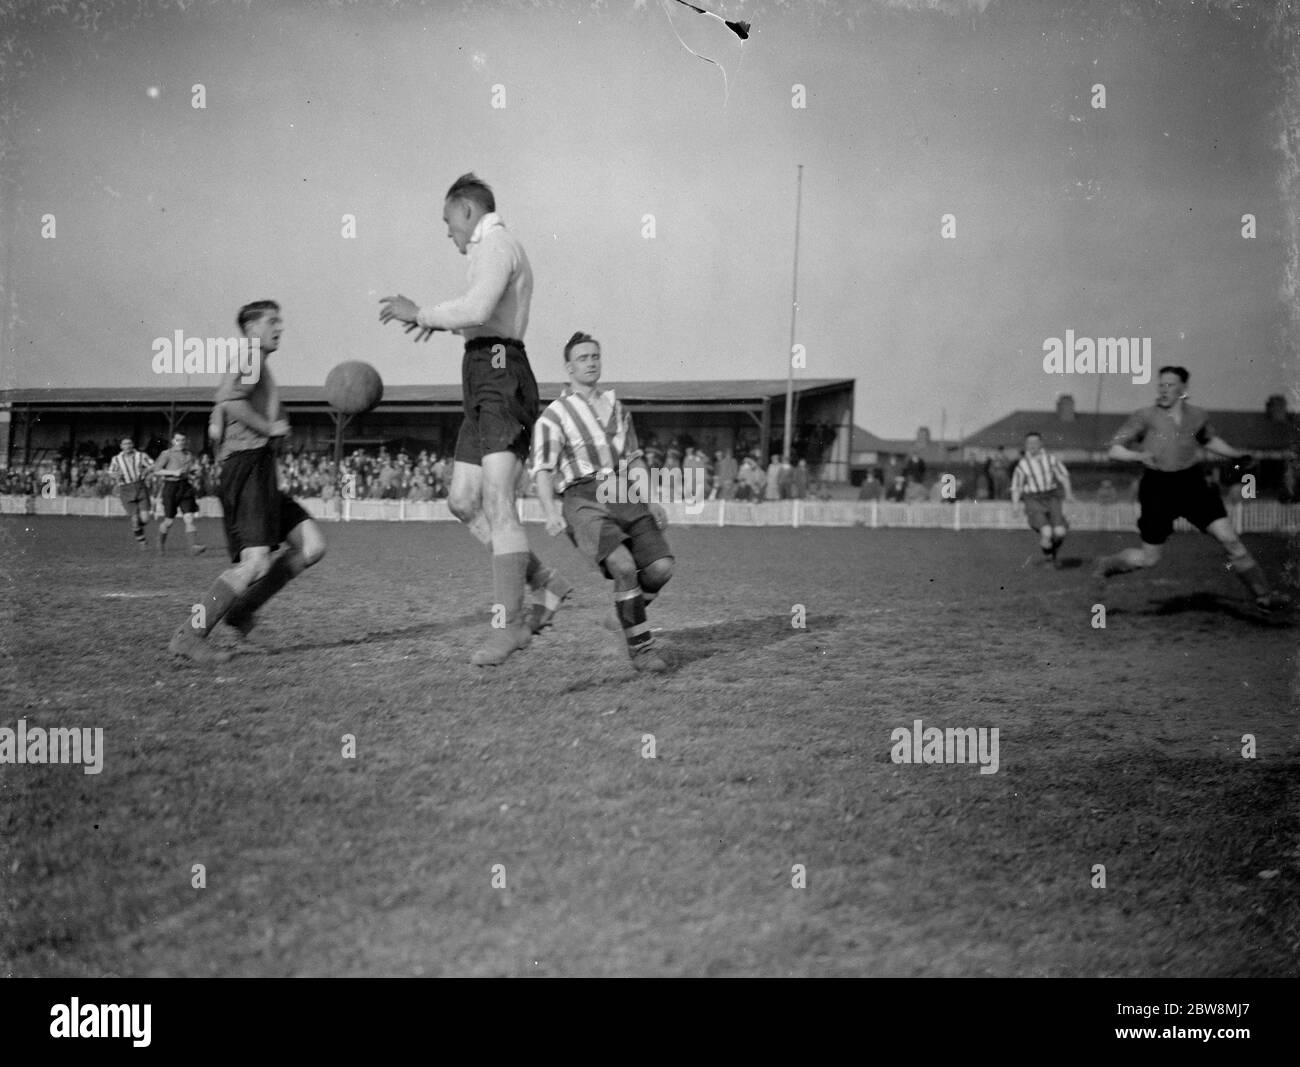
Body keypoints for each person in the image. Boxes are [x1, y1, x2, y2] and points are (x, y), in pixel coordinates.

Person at [379, 173, 572, 665]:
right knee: (463, 501)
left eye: (449, 221)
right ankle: (547, 584)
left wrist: (420, 313)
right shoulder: (492, 249)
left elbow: (481, 309)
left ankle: (507, 627)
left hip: (501, 375)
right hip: (484, 369)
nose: (449, 233)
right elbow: (483, 319)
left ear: (468, 212)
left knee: (497, 500)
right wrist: (440, 322)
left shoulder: (497, 243)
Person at [168, 301, 326, 664]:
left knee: (312, 546)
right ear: (253, 329)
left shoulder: (260, 363)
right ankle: (190, 634)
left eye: (280, 320)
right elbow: (226, 397)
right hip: (246, 466)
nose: (280, 327)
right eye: (272, 321)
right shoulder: (252, 355)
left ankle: (241, 612)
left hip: (261, 468)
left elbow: (227, 401)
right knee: (255, 563)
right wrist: (269, 427)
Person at [533, 332, 674, 672]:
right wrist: (550, 510)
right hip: (582, 497)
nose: (591, 362)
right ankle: (642, 650)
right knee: (624, 568)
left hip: (622, 491)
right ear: (569, 367)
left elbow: (634, 458)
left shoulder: (618, 408)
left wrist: (650, 498)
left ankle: (624, 612)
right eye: (583, 358)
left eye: (595, 356)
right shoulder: (555, 415)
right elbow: (543, 468)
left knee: (661, 568)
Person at [1093, 366, 1287, 611]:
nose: (1164, 390)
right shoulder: (1144, 415)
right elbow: (1114, 449)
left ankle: (1264, 597)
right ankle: (1106, 565)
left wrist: (1236, 454)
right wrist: (1138, 456)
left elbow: (1209, 440)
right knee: (1148, 558)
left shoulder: (1197, 415)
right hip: (1157, 487)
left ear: (1183, 389)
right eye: (1161, 385)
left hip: (1192, 484)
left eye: (1170, 385)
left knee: (1230, 539)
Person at [1010, 431, 1075, 566]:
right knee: (1046, 532)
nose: (1032, 445)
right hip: (1033, 499)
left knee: (1060, 532)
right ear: (1025, 445)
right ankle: (1049, 559)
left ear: (1041, 444)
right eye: (1029, 443)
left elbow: (1064, 477)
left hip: (1051, 497)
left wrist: (1068, 493)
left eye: (1035, 442)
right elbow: (1016, 487)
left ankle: (1053, 554)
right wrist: (1015, 505)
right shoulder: (1022, 465)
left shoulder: (1051, 459)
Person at [150, 432, 207, 555]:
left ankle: (193, 547)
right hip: (171, 487)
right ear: (173, 441)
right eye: (178, 440)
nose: (181, 442)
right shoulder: (166, 454)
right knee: (169, 521)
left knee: (189, 518)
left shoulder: (189, 454)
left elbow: (189, 471)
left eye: (183, 440)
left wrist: (194, 471)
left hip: (185, 486)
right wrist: (173, 472)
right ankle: (160, 543)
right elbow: (156, 470)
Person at [108, 437, 154, 548]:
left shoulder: (141, 456)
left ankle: (137, 526)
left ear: (132, 444)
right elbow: (110, 471)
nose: (127, 446)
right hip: (125, 489)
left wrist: (148, 470)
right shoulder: (116, 459)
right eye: (124, 444)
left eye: (129, 443)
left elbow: (153, 464)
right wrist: (116, 475)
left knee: (145, 518)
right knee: (134, 518)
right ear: (121, 446)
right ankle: (142, 542)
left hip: (140, 487)